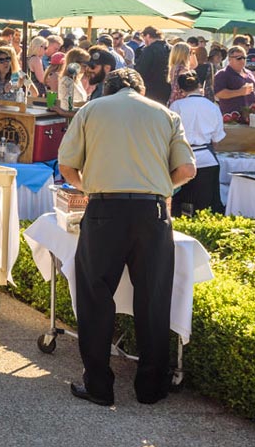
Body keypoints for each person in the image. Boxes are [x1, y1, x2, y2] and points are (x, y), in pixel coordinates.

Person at [58, 68, 194, 408]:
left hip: (105, 210)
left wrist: (87, 186)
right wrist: (163, 186)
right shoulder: (165, 113)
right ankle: (151, 388)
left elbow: (66, 164)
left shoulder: (91, 110)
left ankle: (100, 386)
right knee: (153, 297)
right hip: (152, 211)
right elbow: (187, 170)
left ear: (108, 88)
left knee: (95, 296)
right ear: (142, 89)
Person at [169, 72, 225, 215]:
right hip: (207, 160)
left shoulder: (176, 105)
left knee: (178, 206)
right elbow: (217, 140)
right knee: (205, 210)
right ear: (199, 86)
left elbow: (169, 135)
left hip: (182, 160)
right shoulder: (213, 106)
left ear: (180, 90)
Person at [212, 48, 255, 116]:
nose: (242, 60)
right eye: (238, 58)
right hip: (232, 118)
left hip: (252, 117)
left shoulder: (250, 73)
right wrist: (240, 92)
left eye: (244, 58)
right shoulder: (223, 74)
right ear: (230, 59)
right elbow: (219, 93)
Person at [134, 27, 172, 104]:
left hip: (150, 90)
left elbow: (141, 70)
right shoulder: (170, 48)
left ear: (147, 36)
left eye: (143, 37)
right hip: (167, 89)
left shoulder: (149, 50)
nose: (144, 41)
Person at [56, 48, 90, 112]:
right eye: (84, 65)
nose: (87, 68)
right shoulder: (66, 81)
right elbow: (66, 107)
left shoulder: (77, 80)